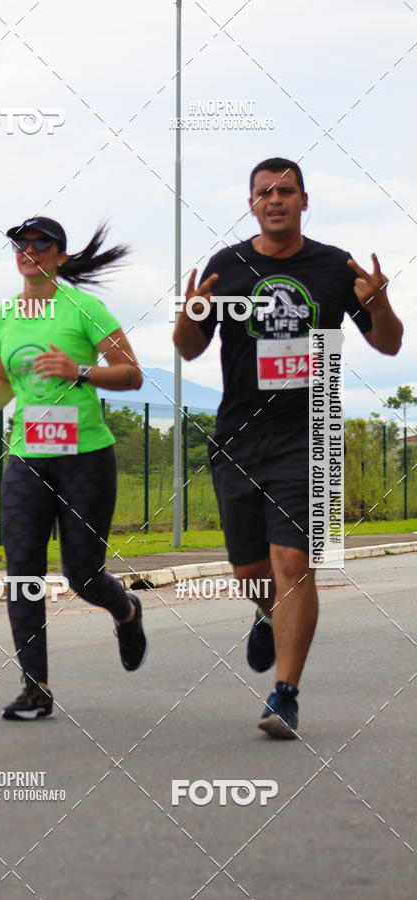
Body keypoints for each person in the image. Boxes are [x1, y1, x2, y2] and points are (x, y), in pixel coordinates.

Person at [173, 158, 403, 738]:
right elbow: (189, 350)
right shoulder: (227, 267)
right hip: (239, 436)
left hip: (311, 433)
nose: (275, 199)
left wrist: (378, 304)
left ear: (305, 200)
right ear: (251, 202)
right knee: (251, 569)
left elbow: (391, 344)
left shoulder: (332, 267)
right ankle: (263, 614)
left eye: (286, 191)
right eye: (264, 192)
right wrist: (190, 314)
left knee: (293, 563)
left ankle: (284, 694)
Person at [0, 216, 147, 720]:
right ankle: (35, 687)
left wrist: (79, 370)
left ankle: (126, 611)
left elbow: (132, 375)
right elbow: (5, 384)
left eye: (41, 243)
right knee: (22, 569)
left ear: (60, 255)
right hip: (27, 455)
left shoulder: (84, 309)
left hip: (86, 457)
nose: (29, 250)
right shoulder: (2, 317)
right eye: (21, 243)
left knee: (83, 574)